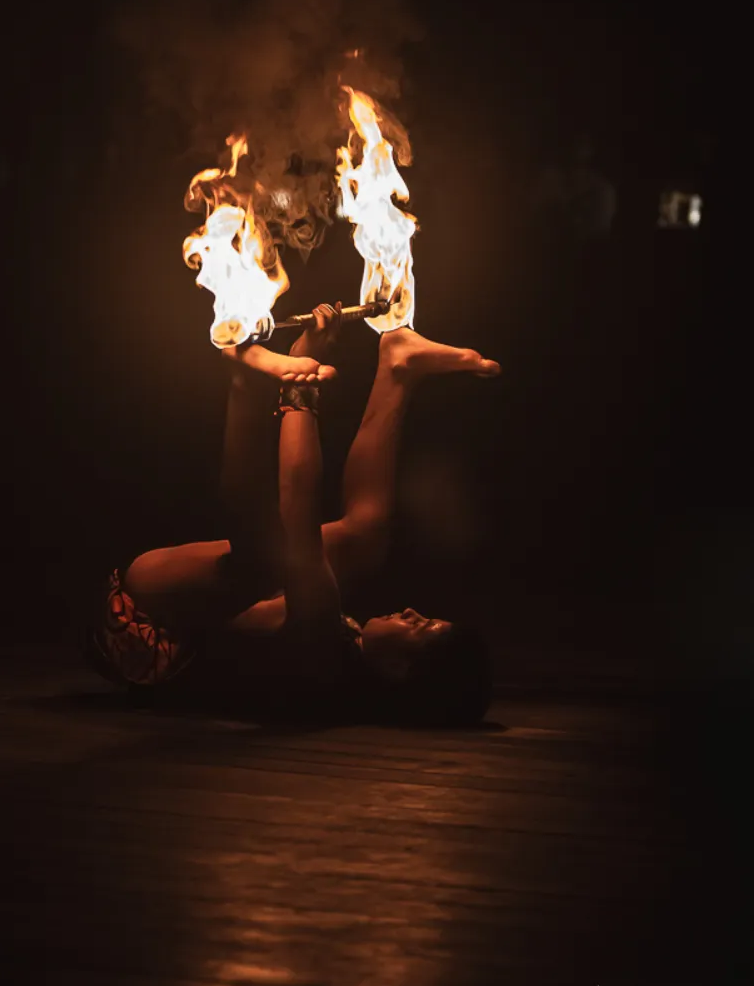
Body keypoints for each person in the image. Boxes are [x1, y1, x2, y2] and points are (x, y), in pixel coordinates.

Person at [86, 306, 501, 724]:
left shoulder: (322, 657)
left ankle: (244, 382)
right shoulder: (340, 648)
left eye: (421, 626)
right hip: (182, 605)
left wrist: (298, 390)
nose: (412, 611)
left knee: (271, 558)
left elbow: (297, 514)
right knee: (363, 538)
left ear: (400, 669)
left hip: (143, 623)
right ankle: (398, 367)